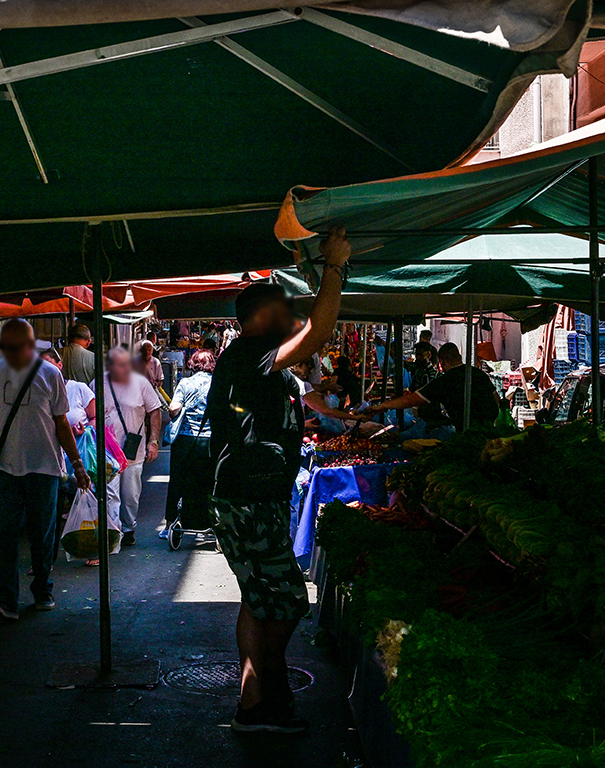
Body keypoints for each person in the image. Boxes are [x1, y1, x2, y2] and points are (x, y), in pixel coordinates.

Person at [207, 225, 351, 734]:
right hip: (251, 498)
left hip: (240, 495)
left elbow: (296, 396)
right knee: (289, 598)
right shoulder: (250, 352)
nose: (290, 318)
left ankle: (256, 703)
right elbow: (319, 332)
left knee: (258, 596)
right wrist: (333, 267)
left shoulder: (258, 363)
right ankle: (267, 686)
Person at [0, 319, 90, 621]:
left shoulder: (50, 374)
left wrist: (77, 464)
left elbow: (61, 423)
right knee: (5, 536)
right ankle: (5, 601)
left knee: (42, 535)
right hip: (4, 469)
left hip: (45, 468)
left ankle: (43, 590)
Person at [360, 342, 499, 431]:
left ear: (442, 361)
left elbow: (412, 400)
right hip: (490, 428)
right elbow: (496, 399)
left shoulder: (444, 381)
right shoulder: (479, 373)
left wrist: (383, 406)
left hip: (467, 431)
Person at [103, 346, 162, 547]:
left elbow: (155, 411)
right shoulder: (98, 382)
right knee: (110, 493)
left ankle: (128, 527)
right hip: (107, 450)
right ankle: (113, 530)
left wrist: (153, 442)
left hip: (132, 450)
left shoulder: (140, 383)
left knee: (130, 494)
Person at [162, 349, 216, 538]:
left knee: (178, 480)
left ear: (193, 364)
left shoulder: (185, 383)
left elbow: (173, 408)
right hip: (210, 441)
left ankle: (169, 524)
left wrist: (184, 407)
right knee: (208, 482)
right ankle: (207, 523)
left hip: (185, 440)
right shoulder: (217, 383)